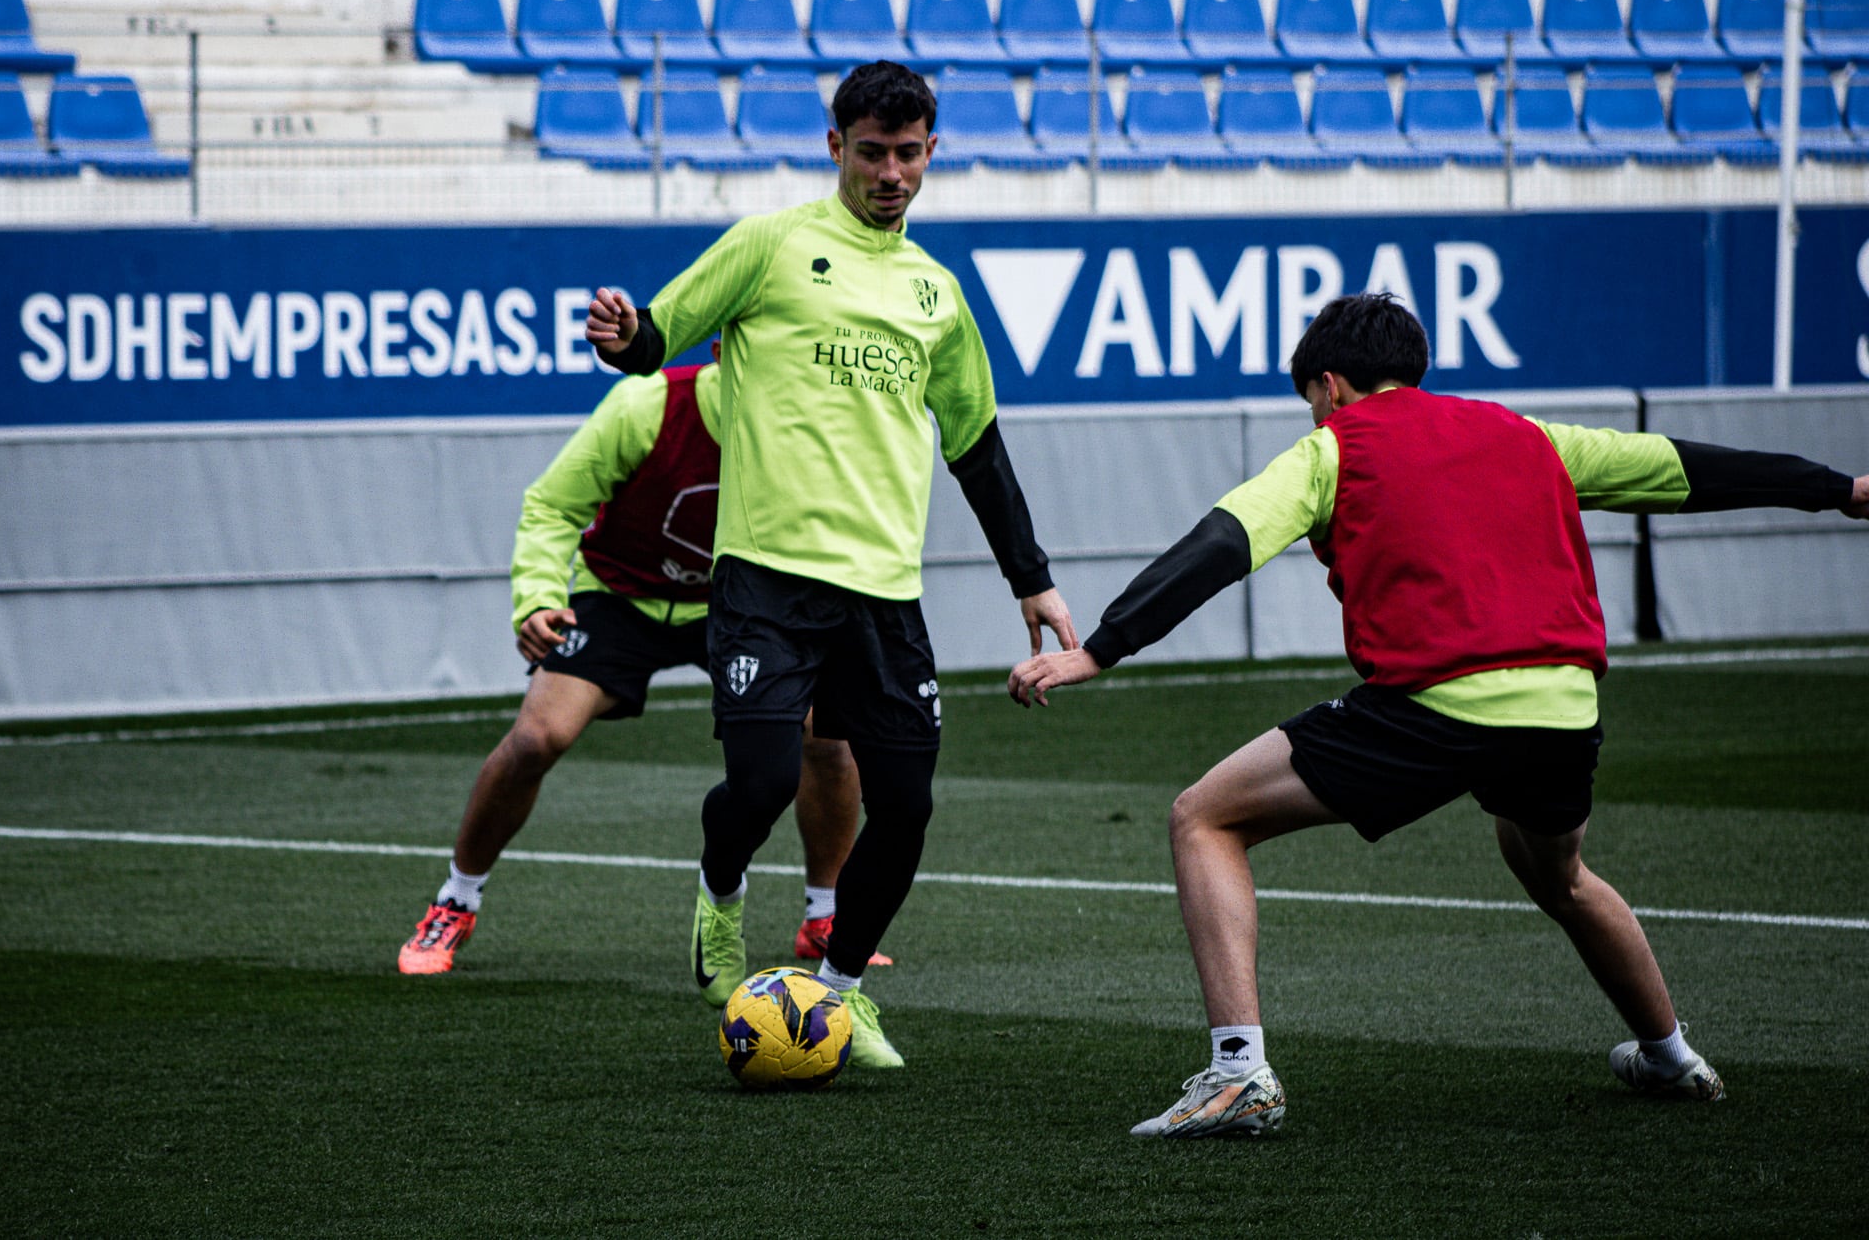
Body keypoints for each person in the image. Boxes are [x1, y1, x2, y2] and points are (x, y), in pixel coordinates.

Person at [1009, 291, 1869, 1139]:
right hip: (1563, 707)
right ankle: (1672, 1054)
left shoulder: (1332, 447)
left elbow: (1222, 541)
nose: (1312, 414)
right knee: (1558, 872)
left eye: (1310, 399)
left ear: (1332, 385)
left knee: (1204, 816)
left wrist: (1103, 647)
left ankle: (1238, 1073)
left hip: (1433, 705)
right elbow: (1688, 468)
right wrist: (1840, 489)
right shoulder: (1531, 436)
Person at [584, 60, 1078, 1069]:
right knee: (760, 782)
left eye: (907, 154)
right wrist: (629, 337)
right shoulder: (771, 245)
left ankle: (838, 995)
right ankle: (719, 899)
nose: (888, 173)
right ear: (834, 148)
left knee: (906, 805)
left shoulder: (936, 294)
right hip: (764, 576)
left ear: (931, 152)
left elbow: (975, 443)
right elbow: (659, 335)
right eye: (869, 152)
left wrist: (1028, 575)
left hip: (884, 595)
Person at [398, 349, 889, 975]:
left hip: (739, 603)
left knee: (827, 733)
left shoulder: (808, 422)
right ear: (723, 352)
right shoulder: (647, 405)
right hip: (620, 596)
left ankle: (826, 916)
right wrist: (540, 597)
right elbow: (552, 505)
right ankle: (455, 901)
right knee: (536, 739)